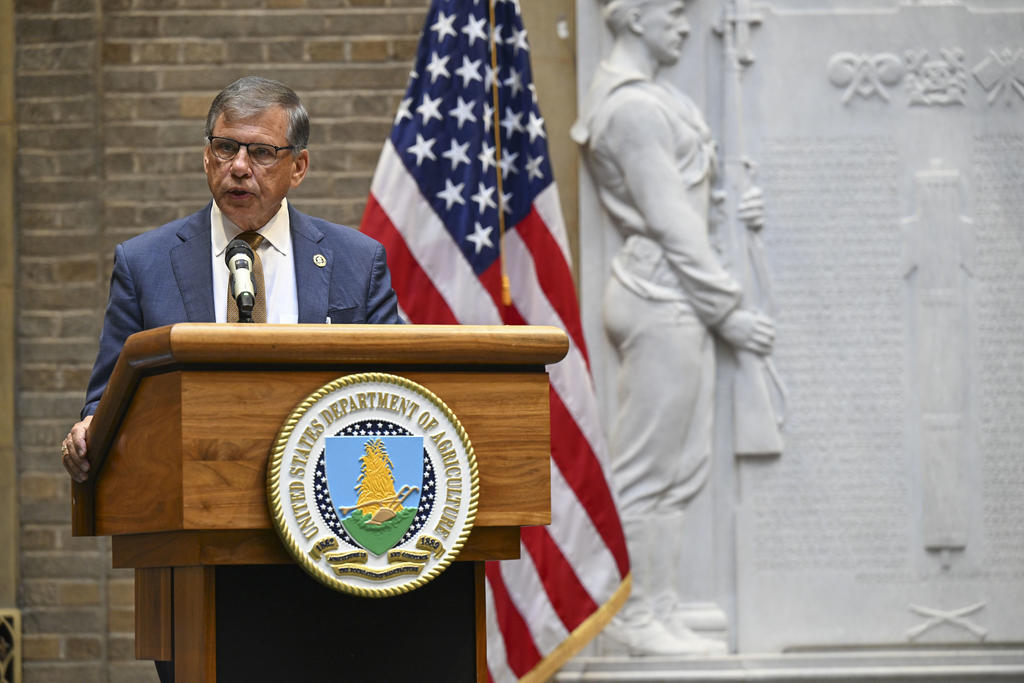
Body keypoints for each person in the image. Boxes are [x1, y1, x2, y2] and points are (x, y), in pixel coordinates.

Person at [571, 0, 774, 656]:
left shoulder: (653, 100)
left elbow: (689, 200)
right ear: (634, 17)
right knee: (646, 468)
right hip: (663, 294)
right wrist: (728, 309)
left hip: (676, 295)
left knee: (680, 469)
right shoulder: (631, 108)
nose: (686, 24)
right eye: (674, 11)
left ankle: (660, 608)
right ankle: (632, 617)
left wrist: (729, 204)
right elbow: (669, 219)